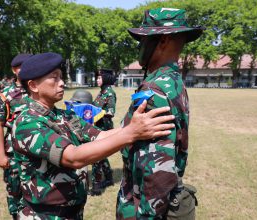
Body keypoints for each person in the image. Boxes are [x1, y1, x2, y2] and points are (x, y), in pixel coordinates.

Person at [12, 52, 175, 219]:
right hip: (42, 215)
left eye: (61, 77)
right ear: (33, 86)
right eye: (54, 78)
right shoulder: (27, 123)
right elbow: (73, 157)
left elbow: (100, 135)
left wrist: (136, 125)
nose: (62, 83)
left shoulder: (64, 115)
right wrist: (131, 133)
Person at [116, 8, 204, 219]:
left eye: (144, 39)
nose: (140, 46)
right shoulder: (173, 81)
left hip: (142, 207)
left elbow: (156, 172)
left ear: (162, 41)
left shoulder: (155, 89)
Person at [0, 53, 33, 219]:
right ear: (15, 70)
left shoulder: (37, 89)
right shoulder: (5, 95)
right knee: (15, 191)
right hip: (15, 153)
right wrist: (1, 155)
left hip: (38, 150)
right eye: (23, 67)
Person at [90, 69, 117, 195]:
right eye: (97, 78)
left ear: (106, 78)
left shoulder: (110, 93)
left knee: (96, 156)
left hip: (104, 128)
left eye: (99, 78)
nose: (97, 80)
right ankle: (109, 178)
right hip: (97, 127)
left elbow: (111, 112)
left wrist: (98, 113)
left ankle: (97, 186)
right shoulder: (101, 93)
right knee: (101, 156)